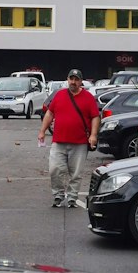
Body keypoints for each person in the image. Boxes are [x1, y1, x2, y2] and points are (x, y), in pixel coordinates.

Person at [38, 69, 101, 208]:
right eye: (71, 79)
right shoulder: (59, 95)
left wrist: (93, 135)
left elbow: (95, 117)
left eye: (76, 79)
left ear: (81, 81)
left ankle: (72, 197)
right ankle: (58, 195)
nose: (73, 82)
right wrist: (42, 131)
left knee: (76, 173)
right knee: (54, 169)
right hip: (59, 141)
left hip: (79, 143)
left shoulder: (88, 98)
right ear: (67, 79)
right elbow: (50, 113)